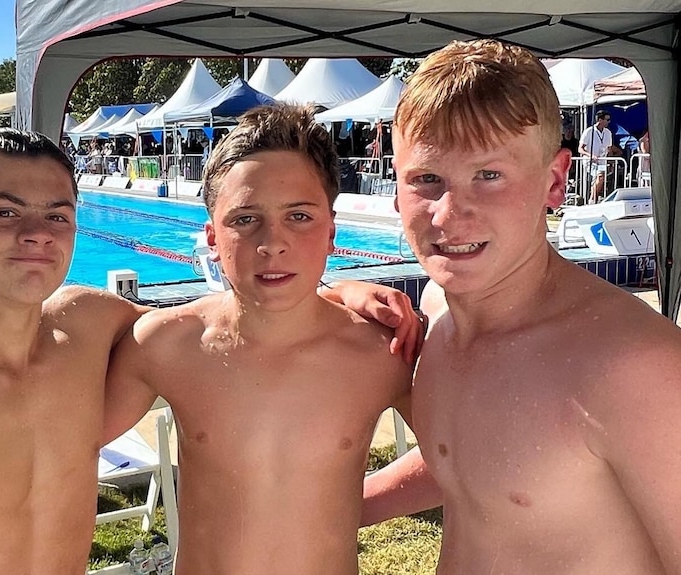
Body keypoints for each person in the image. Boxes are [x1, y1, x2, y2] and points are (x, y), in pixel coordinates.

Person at [0, 127, 421, 574]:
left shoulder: (91, 326)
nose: (36, 234)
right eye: (4, 212)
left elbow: (249, 318)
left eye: (57, 215)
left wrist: (340, 288)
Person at [361, 39, 681, 574]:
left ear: (554, 181)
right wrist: (330, 510)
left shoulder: (634, 366)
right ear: (395, 187)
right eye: (426, 179)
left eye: (489, 175)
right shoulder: (442, 320)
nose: (448, 214)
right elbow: (478, 465)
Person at [102, 103, 416, 575]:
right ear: (211, 236)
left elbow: (465, 458)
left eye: (300, 217)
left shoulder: (381, 351)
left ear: (333, 232)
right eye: (245, 219)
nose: (273, 242)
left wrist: (356, 503)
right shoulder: (167, 344)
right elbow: (58, 452)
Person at [579, 109, 613, 203]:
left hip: (602, 160)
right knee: (599, 177)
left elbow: (609, 149)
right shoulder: (589, 131)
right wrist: (591, 156)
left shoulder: (608, 133)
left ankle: (593, 198)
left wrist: (610, 162)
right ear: (600, 120)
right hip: (590, 161)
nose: (609, 121)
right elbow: (580, 149)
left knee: (600, 179)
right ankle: (593, 198)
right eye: (607, 119)